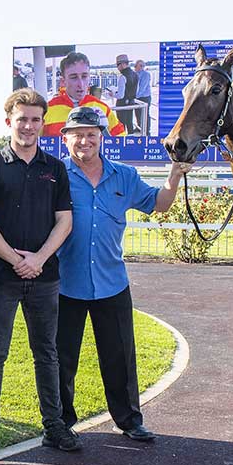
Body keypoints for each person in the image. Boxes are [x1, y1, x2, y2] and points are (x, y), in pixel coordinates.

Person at [56, 107, 191, 442]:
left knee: (119, 357)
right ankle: (60, 421)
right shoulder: (56, 176)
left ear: (101, 137)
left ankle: (129, 419)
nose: (85, 140)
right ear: (65, 138)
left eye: (91, 134)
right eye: (78, 134)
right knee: (61, 357)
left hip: (112, 282)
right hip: (64, 283)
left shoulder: (125, 176)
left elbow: (159, 203)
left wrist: (174, 175)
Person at [0, 89, 80, 457]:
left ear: (43, 123)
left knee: (47, 354)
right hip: (1, 278)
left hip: (44, 278)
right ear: (9, 122)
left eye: (36, 119)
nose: (29, 126)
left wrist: (38, 259)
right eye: (23, 119)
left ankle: (54, 425)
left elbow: (64, 222)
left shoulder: (56, 168)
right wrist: (17, 260)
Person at [44, 52, 124, 136]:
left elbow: (121, 141)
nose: (81, 84)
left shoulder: (102, 108)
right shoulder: (48, 110)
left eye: (84, 76)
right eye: (74, 77)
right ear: (63, 81)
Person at [114, 54, 139, 134]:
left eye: (118, 64)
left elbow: (120, 95)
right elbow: (137, 91)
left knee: (122, 125)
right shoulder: (135, 75)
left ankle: (122, 143)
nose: (117, 67)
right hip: (131, 102)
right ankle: (131, 141)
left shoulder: (122, 77)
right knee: (130, 122)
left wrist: (113, 94)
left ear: (122, 64)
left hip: (122, 104)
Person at [134, 59, 153, 135]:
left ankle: (147, 130)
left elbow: (142, 87)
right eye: (140, 65)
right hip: (137, 97)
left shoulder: (146, 74)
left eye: (143, 66)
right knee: (137, 113)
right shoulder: (135, 74)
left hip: (144, 97)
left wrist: (135, 96)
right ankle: (139, 127)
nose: (141, 67)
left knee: (145, 114)